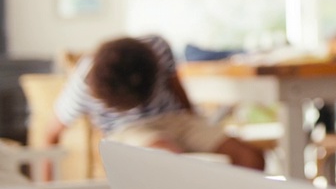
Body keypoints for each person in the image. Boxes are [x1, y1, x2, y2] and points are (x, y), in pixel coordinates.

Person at [47, 34, 265, 169]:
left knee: (250, 157)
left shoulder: (157, 48)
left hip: (176, 119)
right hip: (128, 130)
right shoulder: (83, 82)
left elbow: (177, 88)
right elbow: (51, 134)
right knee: (170, 163)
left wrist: (194, 120)